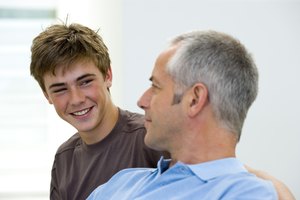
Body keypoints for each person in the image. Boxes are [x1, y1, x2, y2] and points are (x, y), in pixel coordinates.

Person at [87, 30, 295, 200]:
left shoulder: (245, 193)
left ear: (194, 100)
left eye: (155, 87)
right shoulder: (121, 183)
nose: (142, 101)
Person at [30, 23, 168, 199]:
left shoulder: (152, 138)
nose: (76, 99)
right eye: (60, 89)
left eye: (85, 82)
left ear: (108, 75)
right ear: (47, 95)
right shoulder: (64, 159)